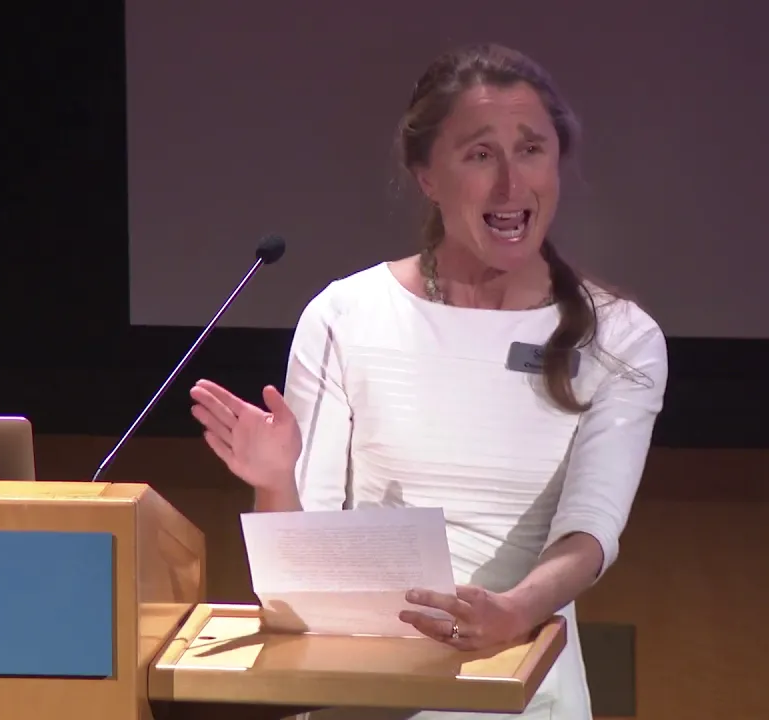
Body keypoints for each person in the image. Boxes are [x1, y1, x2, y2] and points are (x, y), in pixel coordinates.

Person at [189, 42, 667, 720]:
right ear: (427, 177)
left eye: (531, 150)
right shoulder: (346, 316)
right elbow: (301, 572)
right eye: (480, 155)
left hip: (524, 690)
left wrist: (513, 610)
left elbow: (589, 536)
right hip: (360, 696)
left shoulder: (619, 338)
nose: (511, 185)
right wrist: (274, 480)